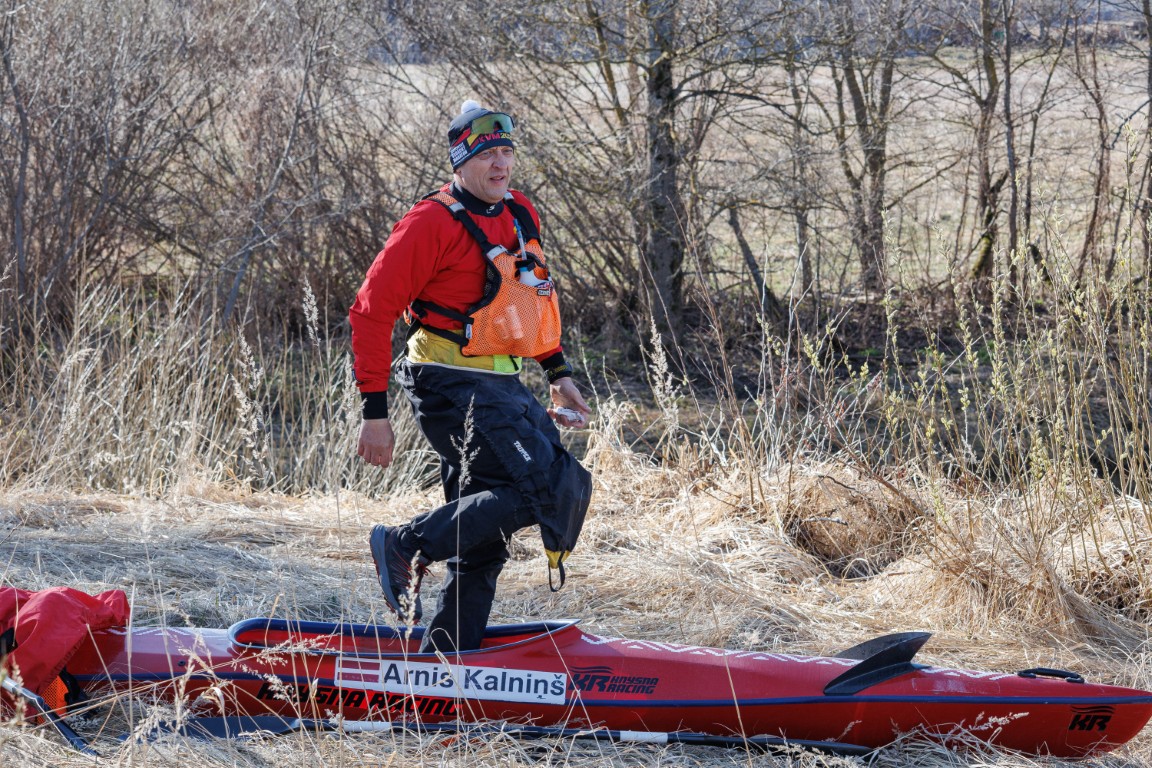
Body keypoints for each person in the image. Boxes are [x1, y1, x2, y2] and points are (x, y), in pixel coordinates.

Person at [349, 100, 593, 655]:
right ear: (461, 161)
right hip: (446, 382)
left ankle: (446, 663)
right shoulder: (429, 223)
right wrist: (374, 414)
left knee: (482, 539)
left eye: (507, 151)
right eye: (487, 155)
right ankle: (405, 544)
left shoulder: (520, 212)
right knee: (545, 489)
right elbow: (370, 312)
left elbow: (526, 300)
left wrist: (556, 371)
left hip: (502, 382)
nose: (501, 164)